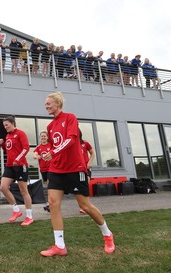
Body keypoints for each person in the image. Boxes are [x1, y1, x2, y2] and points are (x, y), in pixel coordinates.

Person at [40, 91, 115, 257]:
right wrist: (49, 153)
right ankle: (60, 246)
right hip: (56, 170)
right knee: (53, 204)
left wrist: (53, 152)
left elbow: (71, 139)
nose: (46, 106)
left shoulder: (70, 118)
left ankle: (107, 234)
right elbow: (56, 146)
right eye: (45, 104)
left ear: (57, 104)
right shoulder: (50, 126)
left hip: (74, 169)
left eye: (48, 103)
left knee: (84, 206)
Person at [0, 116, 34, 226]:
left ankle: (29, 216)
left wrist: (18, 159)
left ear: (13, 123)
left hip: (20, 165)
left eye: (7, 125)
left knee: (24, 191)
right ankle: (16, 210)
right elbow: (8, 150)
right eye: (4, 125)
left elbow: (26, 148)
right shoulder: (8, 136)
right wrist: (2, 145)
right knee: (3, 187)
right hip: (10, 166)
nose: (5, 127)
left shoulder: (21, 133)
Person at [33, 131, 51, 212]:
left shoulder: (50, 145)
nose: (43, 137)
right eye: (42, 136)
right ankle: (49, 203)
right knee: (47, 186)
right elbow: (34, 155)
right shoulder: (39, 147)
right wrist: (37, 156)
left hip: (51, 169)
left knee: (50, 186)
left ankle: (50, 204)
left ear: (47, 137)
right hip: (43, 169)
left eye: (44, 136)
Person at [78, 128, 95, 214]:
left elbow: (92, 153)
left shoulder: (85, 143)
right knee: (80, 188)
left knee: (85, 185)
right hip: (77, 169)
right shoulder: (72, 145)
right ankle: (82, 206)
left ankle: (86, 206)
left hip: (86, 168)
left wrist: (90, 161)